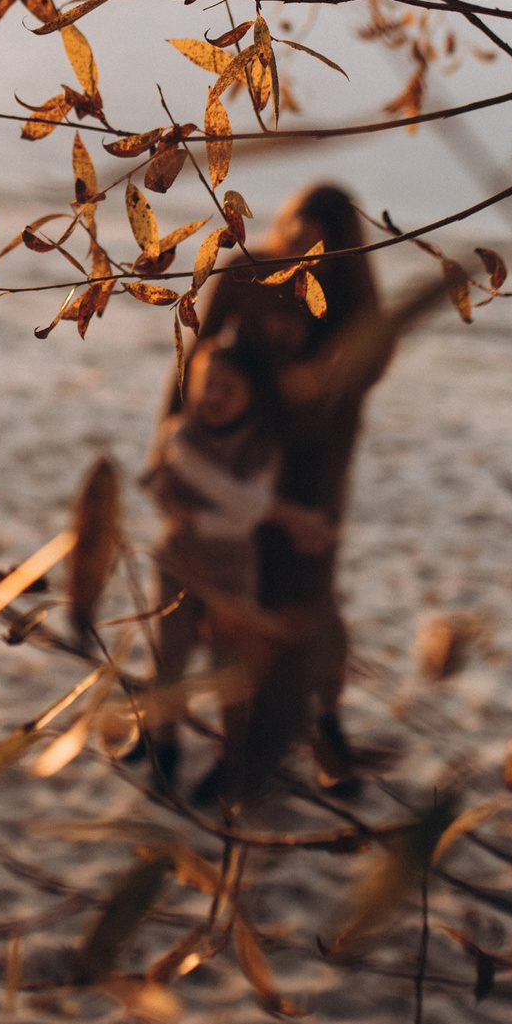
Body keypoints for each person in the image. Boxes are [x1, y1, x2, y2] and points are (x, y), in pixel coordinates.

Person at [167, 183, 396, 800]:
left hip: (315, 464)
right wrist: (172, 447)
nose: (300, 258)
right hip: (240, 455)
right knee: (232, 612)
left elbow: (373, 362)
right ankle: (240, 750)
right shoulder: (245, 274)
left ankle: (319, 729)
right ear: (281, 225)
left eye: (316, 252)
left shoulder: (352, 305)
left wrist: (318, 382)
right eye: (293, 240)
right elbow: (196, 359)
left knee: (305, 603)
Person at [138, 328, 337, 790]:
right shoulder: (181, 436)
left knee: (231, 668)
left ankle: (232, 756)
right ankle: (162, 744)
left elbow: (244, 512)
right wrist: (271, 513)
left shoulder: (261, 447)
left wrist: (207, 515)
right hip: (177, 563)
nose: (214, 396)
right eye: (209, 384)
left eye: (229, 389)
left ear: (252, 397)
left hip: (232, 569)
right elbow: (183, 487)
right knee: (169, 656)